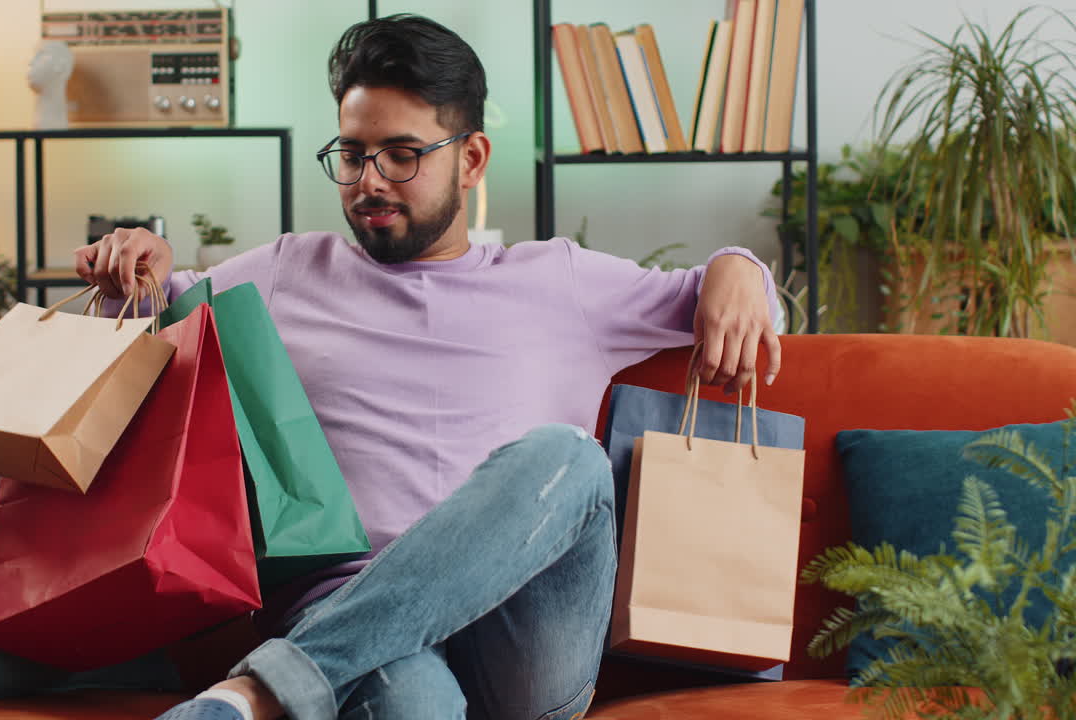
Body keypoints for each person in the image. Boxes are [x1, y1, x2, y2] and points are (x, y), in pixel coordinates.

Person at [75, 14, 781, 720]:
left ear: (471, 159)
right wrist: (133, 264)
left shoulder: (560, 282)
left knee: (568, 455)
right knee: (412, 702)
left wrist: (740, 267)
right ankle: (299, 675)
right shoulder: (289, 271)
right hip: (358, 627)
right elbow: (149, 317)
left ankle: (260, 690)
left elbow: (729, 299)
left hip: (524, 639)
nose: (369, 181)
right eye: (352, 155)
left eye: (401, 155)